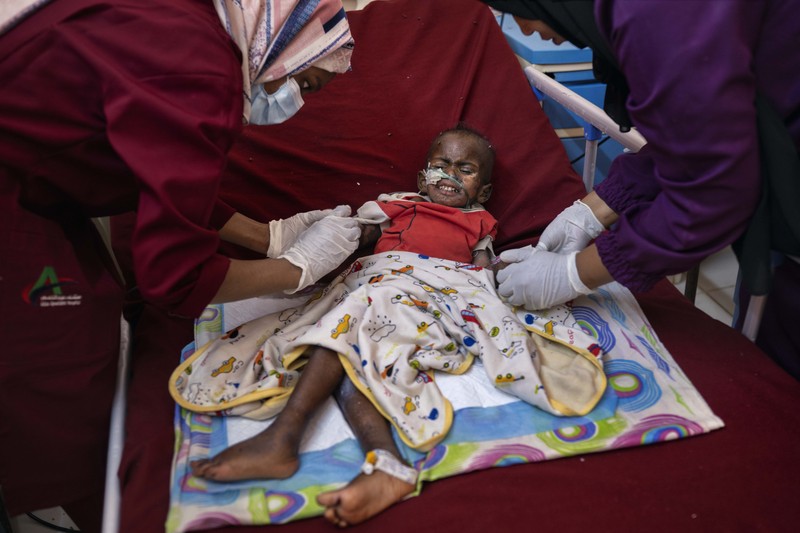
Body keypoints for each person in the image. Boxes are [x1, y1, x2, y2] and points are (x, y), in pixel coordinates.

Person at [0, 0, 360, 529]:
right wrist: (297, 268)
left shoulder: (185, 23)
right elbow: (174, 277)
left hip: (37, 178)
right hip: (17, 189)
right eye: (307, 85)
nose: (296, 103)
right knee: (60, 356)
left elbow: (157, 172)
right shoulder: (200, 68)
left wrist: (268, 237)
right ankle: (86, 507)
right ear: (283, 43)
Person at [177, 124, 605, 527]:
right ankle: (377, 460)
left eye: (465, 169)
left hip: (430, 291)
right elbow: (354, 240)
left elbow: (481, 278)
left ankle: (286, 436)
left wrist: (501, 281)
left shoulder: (480, 222)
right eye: (441, 165)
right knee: (351, 329)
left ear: (484, 190)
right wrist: (325, 238)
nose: (449, 175)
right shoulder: (394, 206)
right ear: (422, 177)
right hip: (376, 279)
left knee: (356, 321)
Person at [486, 0, 800, 379]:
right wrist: (591, 212)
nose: (526, 29)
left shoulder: (653, 13)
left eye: (512, 7)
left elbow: (710, 195)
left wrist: (573, 274)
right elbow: (694, 140)